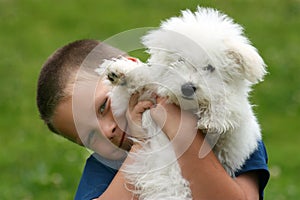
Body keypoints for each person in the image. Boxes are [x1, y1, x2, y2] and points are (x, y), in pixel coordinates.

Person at [37, 39, 270, 200]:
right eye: (89, 137)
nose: (107, 131)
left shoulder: (228, 128)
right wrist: (142, 144)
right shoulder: (103, 170)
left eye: (103, 107)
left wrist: (178, 129)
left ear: (127, 71)